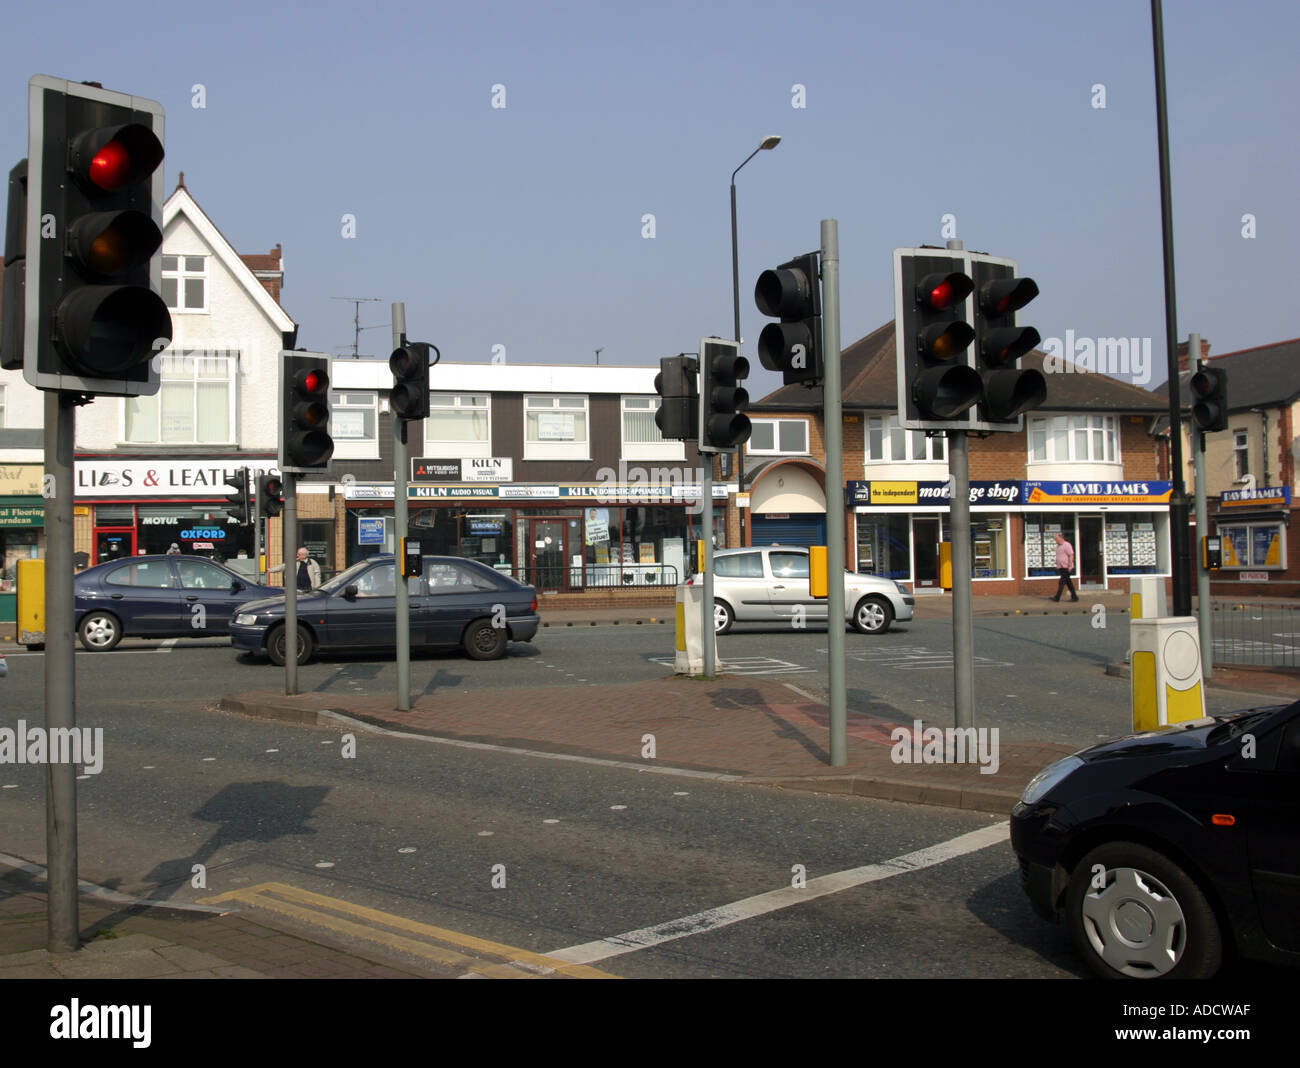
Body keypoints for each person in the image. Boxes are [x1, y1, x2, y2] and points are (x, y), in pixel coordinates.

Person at [1051, 532, 1078, 602]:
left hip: (1066, 567)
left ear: (1061, 538)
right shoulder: (1058, 546)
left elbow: (1071, 555)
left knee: (1061, 582)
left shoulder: (1067, 545)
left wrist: (1070, 565)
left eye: (1056, 539)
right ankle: (1074, 597)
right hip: (1061, 567)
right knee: (1068, 583)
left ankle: (1057, 597)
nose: (1055, 540)